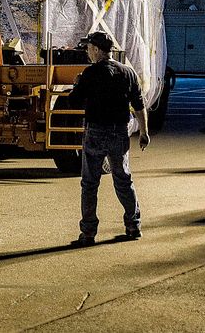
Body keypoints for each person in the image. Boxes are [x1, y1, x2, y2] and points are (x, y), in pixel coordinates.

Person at [65, 30, 149, 246]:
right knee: (123, 180)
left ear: (96, 49)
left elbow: (73, 102)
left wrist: (77, 84)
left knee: (90, 183)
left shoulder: (90, 74)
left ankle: (88, 233)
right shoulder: (128, 73)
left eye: (88, 48)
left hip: (95, 133)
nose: (86, 52)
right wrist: (144, 132)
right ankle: (133, 226)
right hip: (119, 133)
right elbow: (139, 105)